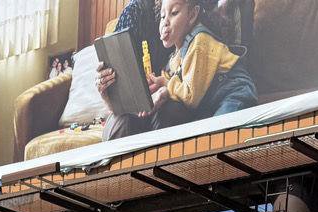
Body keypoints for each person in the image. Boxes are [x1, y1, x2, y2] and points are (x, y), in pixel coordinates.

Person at [99, 0, 255, 141]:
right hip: (207, 101)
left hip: (234, 93)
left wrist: (166, 88)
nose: (165, 22)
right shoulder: (175, 55)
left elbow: (189, 95)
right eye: (161, 17)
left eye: (174, 14)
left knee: (220, 135)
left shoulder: (200, 41)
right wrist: (159, 82)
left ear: (192, 15)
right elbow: (174, 78)